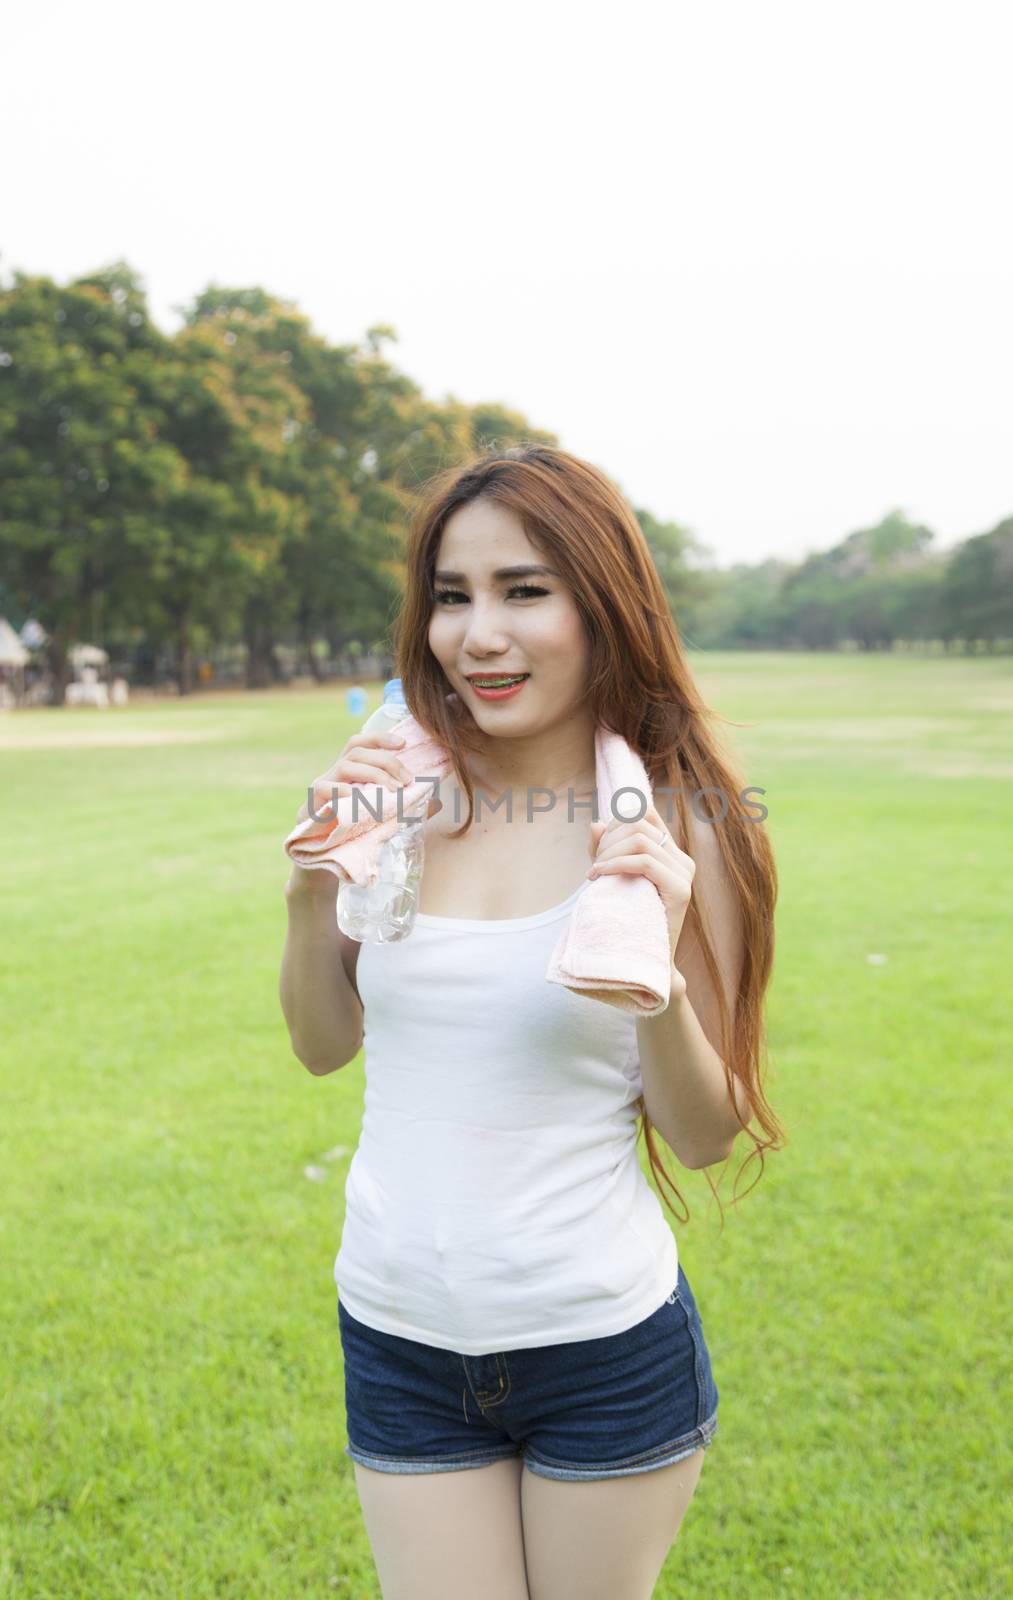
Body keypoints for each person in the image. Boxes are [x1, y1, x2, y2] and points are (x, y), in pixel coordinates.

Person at [279, 443, 782, 1600]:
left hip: (598, 1344)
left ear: (602, 605)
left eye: (523, 590)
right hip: (398, 1333)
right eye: (451, 596)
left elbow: (706, 1133)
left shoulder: (681, 829)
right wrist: (311, 887)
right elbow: (321, 1044)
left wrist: (648, 958)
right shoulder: (398, 803)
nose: (477, 634)